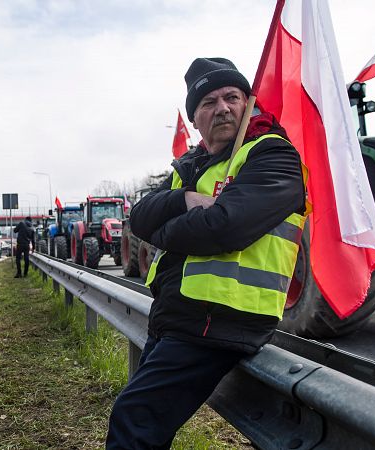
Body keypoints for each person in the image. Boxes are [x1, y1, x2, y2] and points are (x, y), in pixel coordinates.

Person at [106, 57, 307, 448]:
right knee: (141, 421)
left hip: (221, 320)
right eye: (209, 103)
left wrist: (166, 230)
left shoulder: (272, 154)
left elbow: (225, 227)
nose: (223, 108)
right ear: (195, 118)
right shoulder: (192, 165)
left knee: (135, 418)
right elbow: (139, 217)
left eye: (232, 97)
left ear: (249, 104)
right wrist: (185, 198)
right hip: (181, 317)